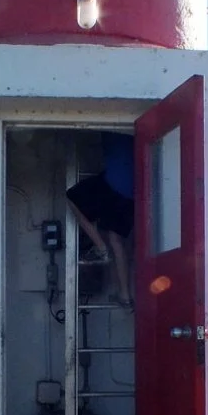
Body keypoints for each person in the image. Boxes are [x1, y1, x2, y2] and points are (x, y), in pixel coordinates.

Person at [66, 131, 134, 310]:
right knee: (116, 239)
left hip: (113, 182)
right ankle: (125, 296)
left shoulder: (112, 129)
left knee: (72, 199)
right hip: (132, 191)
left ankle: (100, 247)